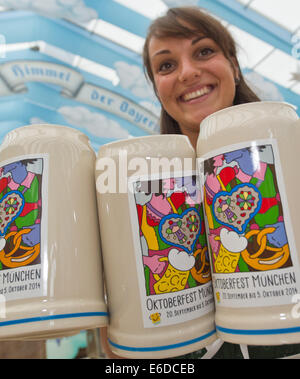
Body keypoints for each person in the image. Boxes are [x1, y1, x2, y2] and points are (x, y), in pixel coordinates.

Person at [140, 6, 300, 359]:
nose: (188, 72)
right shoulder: (145, 192)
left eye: (204, 51)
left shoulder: (294, 152)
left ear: (234, 66)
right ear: (158, 90)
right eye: (166, 65)